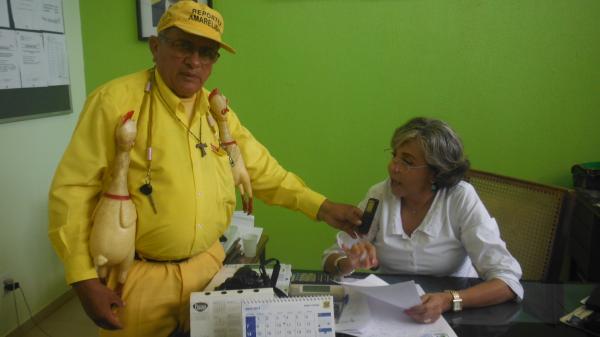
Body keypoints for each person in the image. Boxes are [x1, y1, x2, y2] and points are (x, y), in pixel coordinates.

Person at [48, 2, 361, 336]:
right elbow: (73, 191)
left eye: (207, 52)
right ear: (156, 47)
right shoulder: (114, 102)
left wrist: (321, 206)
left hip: (210, 270)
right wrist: (82, 277)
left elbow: (260, 169)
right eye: (183, 45)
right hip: (139, 278)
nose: (194, 61)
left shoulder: (217, 111)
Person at [322, 117, 523, 324]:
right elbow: (331, 260)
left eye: (407, 162)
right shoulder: (380, 194)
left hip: (454, 316)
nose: (393, 168)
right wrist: (348, 262)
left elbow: (508, 282)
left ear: (435, 173)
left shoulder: (460, 198)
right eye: (394, 156)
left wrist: (448, 300)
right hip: (392, 314)